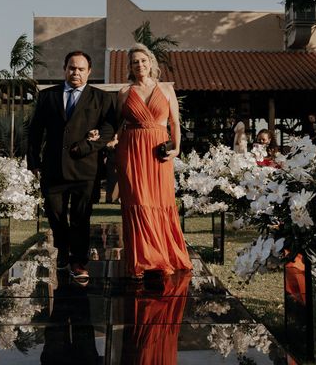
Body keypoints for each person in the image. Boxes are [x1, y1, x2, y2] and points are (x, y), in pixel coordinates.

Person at [27, 51, 115, 283]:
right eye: (72, 68)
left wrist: (86, 146)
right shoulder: (48, 96)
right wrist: (33, 161)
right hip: (53, 168)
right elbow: (35, 131)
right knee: (55, 215)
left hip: (85, 169)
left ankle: (78, 261)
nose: (76, 72)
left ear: (89, 72)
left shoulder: (101, 98)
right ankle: (63, 251)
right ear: (65, 68)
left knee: (80, 218)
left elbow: (109, 129)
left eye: (81, 69)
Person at [115, 44, 192, 279]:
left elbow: (175, 124)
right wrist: (109, 143)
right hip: (131, 151)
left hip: (159, 151)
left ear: (151, 63)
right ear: (129, 67)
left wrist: (177, 148)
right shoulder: (124, 93)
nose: (139, 65)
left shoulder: (166, 90)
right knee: (137, 200)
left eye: (143, 60)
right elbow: (118, 124)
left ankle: (163, 253)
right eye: (134, 62)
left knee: (160, 200)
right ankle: (143, 258)